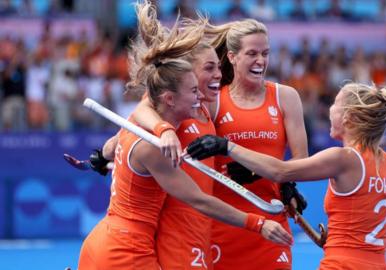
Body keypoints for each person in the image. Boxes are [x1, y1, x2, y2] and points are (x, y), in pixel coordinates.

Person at [77, 3, 292, 269]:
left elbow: (118, 140)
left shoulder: (195, 104)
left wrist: (103, 155)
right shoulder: (168, 112)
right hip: (156, 243)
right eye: (209, 69)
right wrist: (163, 130)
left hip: (188, 236)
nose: (219, 75)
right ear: (185, 77)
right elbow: (142, 113)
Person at [122, 18, 308, 269]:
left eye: (265, 53)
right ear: (232, 56)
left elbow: (301, 162)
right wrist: (162, 129)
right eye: (252, 53)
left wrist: (283, 180)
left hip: (270, 217)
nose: (261, 61)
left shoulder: (285, 97)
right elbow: (146, 106)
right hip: (225, 222)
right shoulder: (212, 99)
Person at [187, 82, 386, 270]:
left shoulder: (343, 158)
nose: (329, 109)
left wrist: (227, 147)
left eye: (334, 104)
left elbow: (280, 171)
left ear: (348, 118)